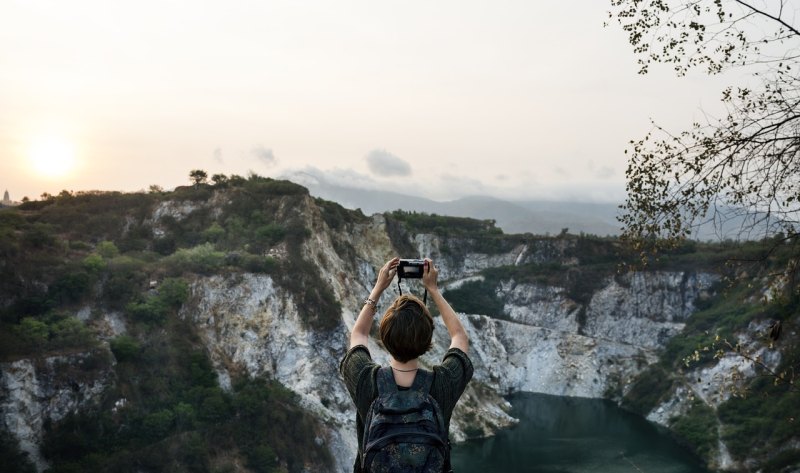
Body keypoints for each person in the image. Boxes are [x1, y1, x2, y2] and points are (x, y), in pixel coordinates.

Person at [339, 257, 473, 473]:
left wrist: (378, 287)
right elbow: (459, 336)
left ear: (384, 336)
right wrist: (433, 289)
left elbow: (358, 334)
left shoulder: (366, 381)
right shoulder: (442, 385)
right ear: (428, 339)